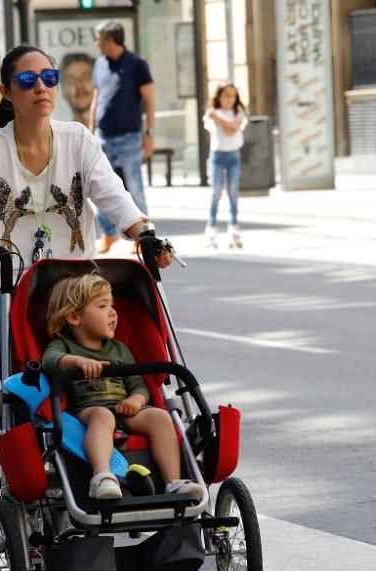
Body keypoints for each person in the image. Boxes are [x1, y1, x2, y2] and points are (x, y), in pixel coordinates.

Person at [0, 45, 171, 367]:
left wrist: (145, 234)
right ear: (6, 91)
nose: (41, 87)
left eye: (49, 77)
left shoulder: (77, 139)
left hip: (71, 280)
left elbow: (114, 194)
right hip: (3, 281)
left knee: (113, 363)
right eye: (27, 80)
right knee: (22, 370)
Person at [41, 273, 206, 500]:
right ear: (74, 316)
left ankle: (173, 482)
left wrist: (135, 400)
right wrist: (78, 362)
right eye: (102, 306)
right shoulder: (63, 346)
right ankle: (102, 477)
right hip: (87, 411)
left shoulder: (119, 350)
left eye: (112, 305)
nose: (113, 312)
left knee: (159, 417)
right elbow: (50, 361)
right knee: (103, 416)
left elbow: (138, 384)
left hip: (125, 409)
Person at [89, 20, 155, 254]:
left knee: (134, 189)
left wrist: (150, 133)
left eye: (99, 39)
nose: (97, 44)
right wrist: (91, 131)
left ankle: (144, 238)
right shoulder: (99, 64)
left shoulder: (137, 64)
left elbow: (149, 99)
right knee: (98, 188)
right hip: (103, 137)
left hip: (129, 138)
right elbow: (96, 99)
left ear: (109, 39)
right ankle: (108, 234)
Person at [204, 83, 248, 250]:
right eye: (227, 95)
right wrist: (219, 119)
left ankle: (234, 230)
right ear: (219, 97)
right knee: (216, 193)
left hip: (234, 156)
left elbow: (233, 129)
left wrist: (218, 119)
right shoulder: (211, 114)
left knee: (233, 193)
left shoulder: (239, 113)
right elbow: (227, 127)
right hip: (217, 156)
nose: (230, 99)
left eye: (233, 96)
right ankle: (211, 230)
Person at [60, 52, 95, 125]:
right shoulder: (59, 134)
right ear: (63, 90)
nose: (79, 85)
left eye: (86, 78)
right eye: (71, 81)